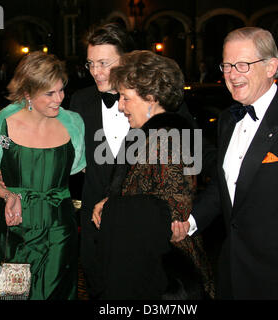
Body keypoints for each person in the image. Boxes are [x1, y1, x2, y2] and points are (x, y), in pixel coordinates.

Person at [171, 27, 278, 300]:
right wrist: (189, 222)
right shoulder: (227, 120)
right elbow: (226, 186)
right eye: (226, 65)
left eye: (243, 65)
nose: (232, 74)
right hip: (233, 273)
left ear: (272, 67)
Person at [69, 22, 202, 299]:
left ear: (126, 60)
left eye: (104, 63)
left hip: (151, 248)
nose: (96, 72)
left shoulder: (168, 115)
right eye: (90, 63)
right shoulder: (80, 102)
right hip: (98, 236)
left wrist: (192, 218)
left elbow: (195, 167)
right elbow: (66, 151)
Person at [91, 50, 214, 299]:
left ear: (150, 97)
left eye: (125, 97)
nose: (121, 106)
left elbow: (174, 208)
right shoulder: (150, 136)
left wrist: (114, 208)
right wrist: (111, 203)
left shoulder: (167, 139)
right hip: (151, 263)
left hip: (167, 276)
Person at [0, 51, 86, 300]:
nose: (59, 99)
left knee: (56, 295)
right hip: (16, 233)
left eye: (61, 90)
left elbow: (79, 169)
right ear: (27, 93)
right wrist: (7, 193)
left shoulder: (73, 124)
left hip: (59, 233)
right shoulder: (2, 126)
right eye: (50, 93)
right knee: (12, 296)